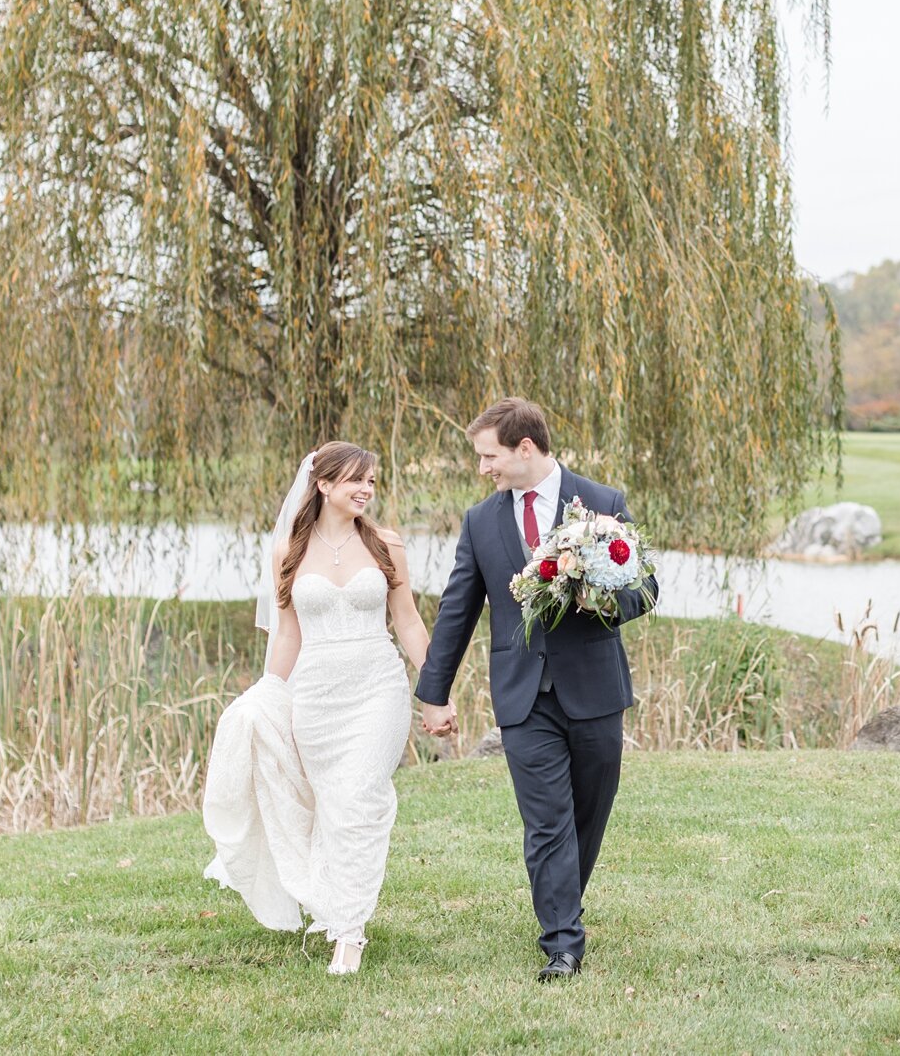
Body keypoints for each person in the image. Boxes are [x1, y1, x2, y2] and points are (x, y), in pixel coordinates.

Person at [415, 398, 657, 981]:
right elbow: (457, 610)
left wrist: (592, 595)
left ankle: (563, 903)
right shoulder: (480, 522)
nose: (483, 469)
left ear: (526, 449)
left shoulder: (603, 505)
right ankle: (563, 945)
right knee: (546, 821)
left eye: (488, 456)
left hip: (595, 690)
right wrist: (433, 693)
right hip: (522, 696)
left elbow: (644, 592)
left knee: (588, 815)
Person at [201, 442, 433, 975]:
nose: (366, 490)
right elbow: (287, 633)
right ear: (323, 484)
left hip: (377, 687)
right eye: (356, 480)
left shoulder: (386, 545)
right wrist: (268, 693)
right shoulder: (288, 550)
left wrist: (435, 689)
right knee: (330, 804)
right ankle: (335, 904)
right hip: (316, 694)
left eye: (372, 480)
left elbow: (409, 622)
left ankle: (348, 935)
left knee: (358, 798)